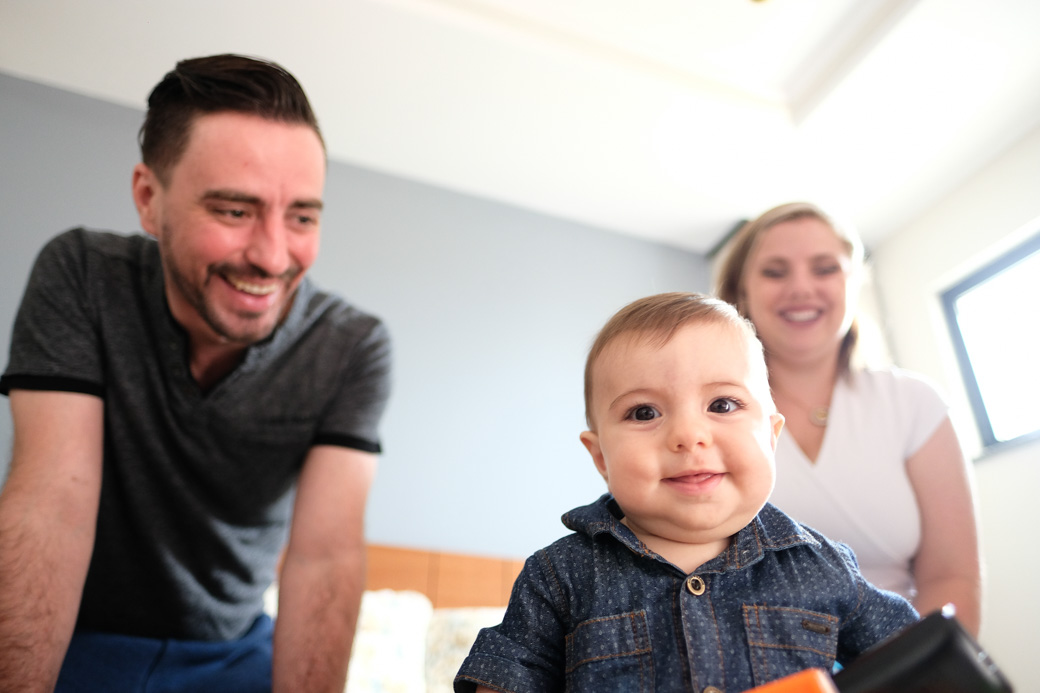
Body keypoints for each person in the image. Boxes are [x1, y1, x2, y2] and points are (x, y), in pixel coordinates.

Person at [0, 55, 392, 692]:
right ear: (150, 201)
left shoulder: (351, 346)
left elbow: (324, 556)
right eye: (235, 211)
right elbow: (52, 505)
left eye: (302, 216)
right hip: (75, 632)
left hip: (233, 653)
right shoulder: (80, 275)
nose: (271, 256)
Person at [455, 292, 918, 692]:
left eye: (722, 404)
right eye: (643, 413)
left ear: (771, 437)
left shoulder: (822, 566)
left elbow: (916, 660)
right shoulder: (560, 576)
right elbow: (507, 678)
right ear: (601, 458)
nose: (688, 435)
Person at [713, 201, 982, 636]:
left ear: (853, 283)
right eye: (775, 272)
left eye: (824, 269)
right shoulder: (708, 417)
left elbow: (951, 576)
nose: (801, 288)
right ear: (741, 292)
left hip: (904, 662)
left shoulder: (914, 403)